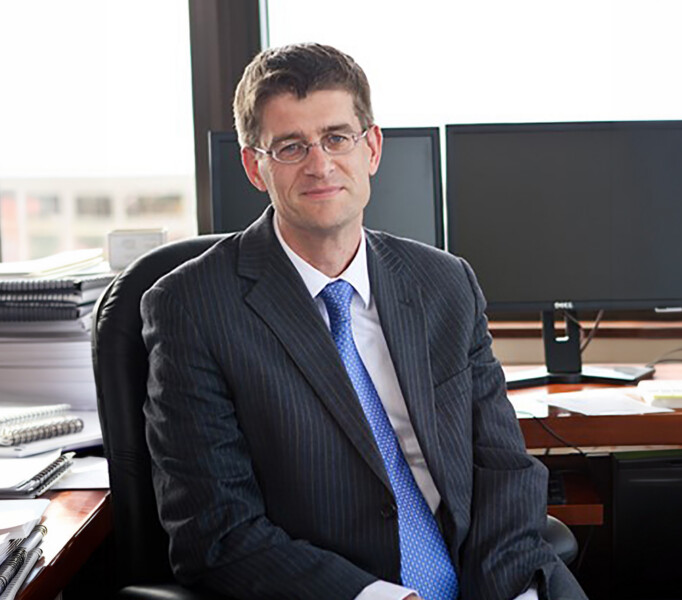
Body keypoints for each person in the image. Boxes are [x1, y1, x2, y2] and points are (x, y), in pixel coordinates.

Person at [141, 42, 588, 600]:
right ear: (255, 166)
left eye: (337, 138)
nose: (321, 164)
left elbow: (504, 471)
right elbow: (216, 532)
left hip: (491, 581)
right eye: (290, 147)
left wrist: (510, 589)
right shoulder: (193, 308)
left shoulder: (445, 283)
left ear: (371, 147)